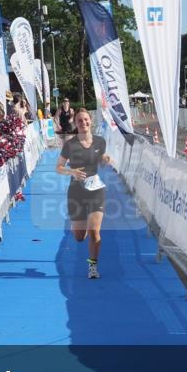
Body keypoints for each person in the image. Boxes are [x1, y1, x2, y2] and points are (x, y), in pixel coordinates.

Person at [56, 109, 113, 279]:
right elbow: (58, 167)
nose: (84, 123)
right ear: (76, 123)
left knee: (95, 231)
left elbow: (101, 161)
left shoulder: (100, 141)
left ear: (91, 121)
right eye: (80, 121)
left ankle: (92, 267)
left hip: (96, 189)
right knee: (80, 237)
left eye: (86, 120)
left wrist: (105, 160)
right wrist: (71, 172)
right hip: (76, 191)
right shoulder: (70, 144)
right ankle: (82, 229)